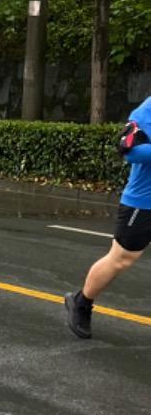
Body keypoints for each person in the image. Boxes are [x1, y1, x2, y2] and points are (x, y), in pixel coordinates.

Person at [65, 95, 151, 338]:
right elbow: (129, 150)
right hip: (143, 203)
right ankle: (81, 302)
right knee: (121, 259)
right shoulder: (147, 111)